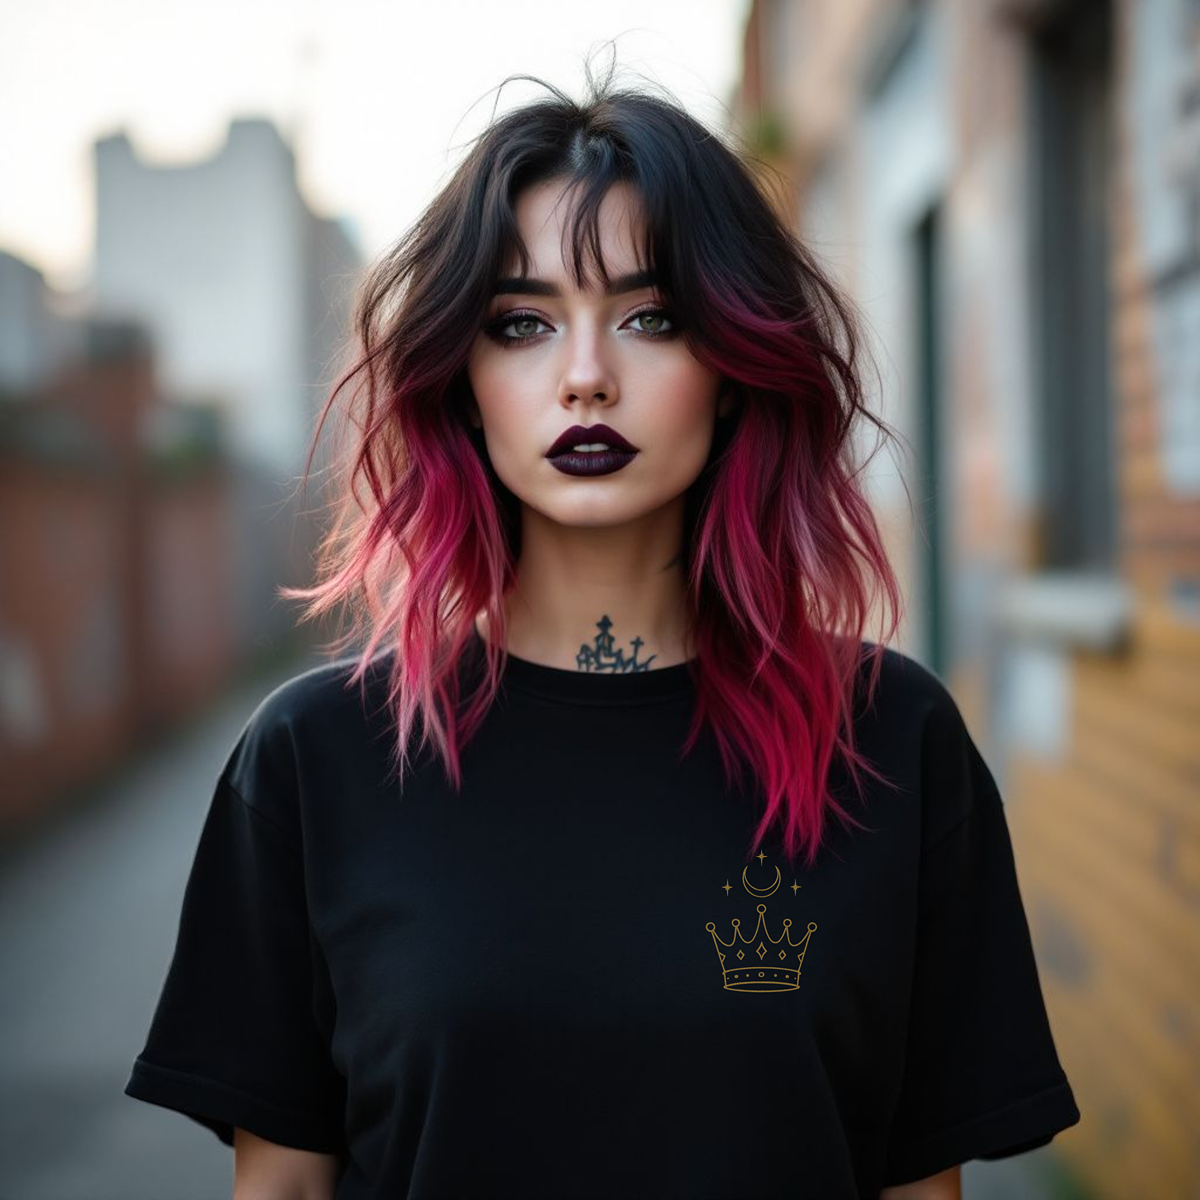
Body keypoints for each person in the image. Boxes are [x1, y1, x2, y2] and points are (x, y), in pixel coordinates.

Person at [124, 60, 1080, 1200]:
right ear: (463, 378)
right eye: (522, 324)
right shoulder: (316, 760)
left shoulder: (895, 741)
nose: (585, 378)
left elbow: (920, 1189)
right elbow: (281, 1188)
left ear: (729, 366)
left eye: (651, 316)